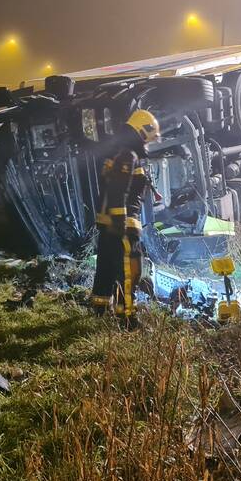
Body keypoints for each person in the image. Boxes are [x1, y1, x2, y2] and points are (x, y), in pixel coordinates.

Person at [90, 109, 161, 322]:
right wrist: (122, 224)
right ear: (143, 131)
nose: (150, 141)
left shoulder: (121, 152)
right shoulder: (128, 156)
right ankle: (128, 317)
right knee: (130, 271)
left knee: (106, 269)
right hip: (122, 225)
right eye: (150, 136)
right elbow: (117, 190)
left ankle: (99, 309)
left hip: (109, 225)